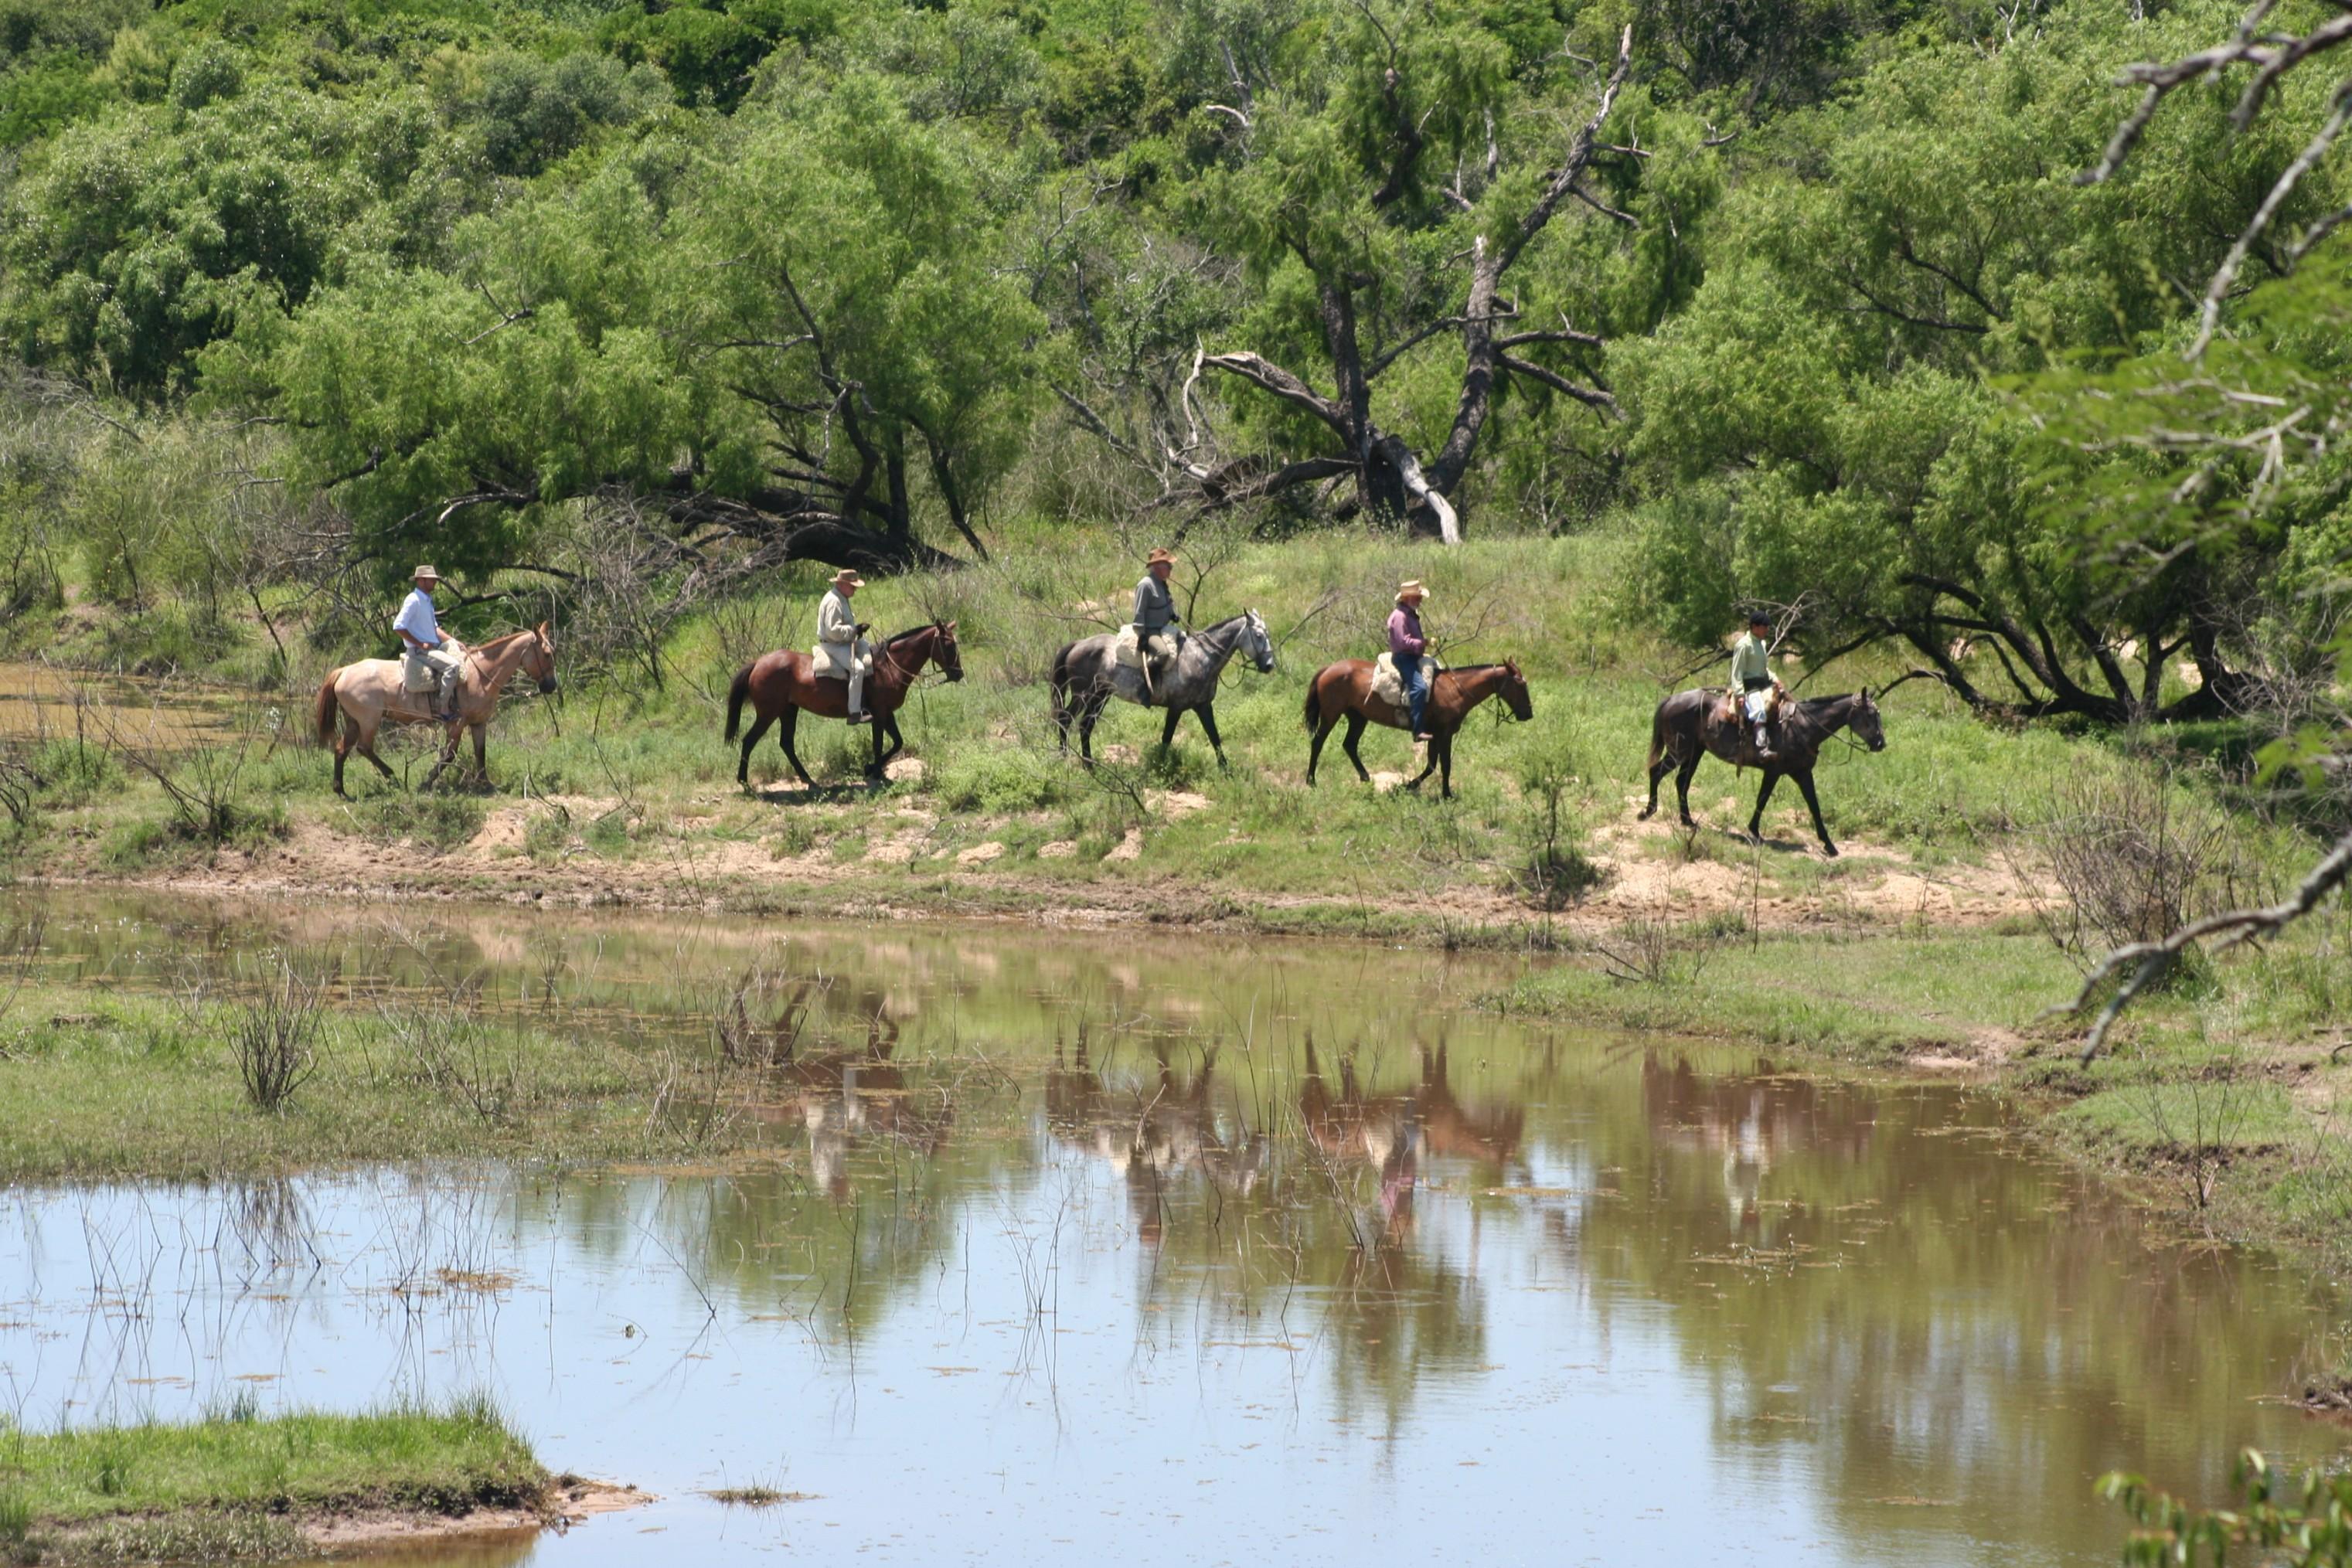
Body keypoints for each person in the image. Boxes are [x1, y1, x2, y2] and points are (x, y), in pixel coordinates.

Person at [393, 564, 464, 723]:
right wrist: (419, 643)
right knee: (453, 666)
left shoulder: (426, 600)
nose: (435, 583)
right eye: (431, 580)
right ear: (421, 581)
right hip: (420, 651)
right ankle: (443, 708)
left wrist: (454, 641)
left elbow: (435, 629)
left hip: (431, 648)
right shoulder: (413, 600)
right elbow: (398, 626)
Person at [818, 568, 873, 724]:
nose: (855, 589)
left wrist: (856, 630)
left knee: (871, 651)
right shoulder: (834, 601)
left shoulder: (840, 597)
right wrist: (854, 630)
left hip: (843, 642)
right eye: (852, 586)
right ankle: (854, 712)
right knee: (858, 669)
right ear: (842, 584)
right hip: (834, 645)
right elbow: (833, 631)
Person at [1731, 610, 1782, 760]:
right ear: (1754, 627)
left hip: (1763, 686)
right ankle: (1761, 748)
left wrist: (1775, 678)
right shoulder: (1744, 645)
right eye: (1764, 626)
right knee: (1759, 710)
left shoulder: (1761, 644)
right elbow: (1737, 671)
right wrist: (1739, 694)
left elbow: (1763, 669)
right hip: (1749, 688)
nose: (1767, 630)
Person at [1133, 547, 1182, 698]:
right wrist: (1142, 636)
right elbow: (1139, 612)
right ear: (1158, 567)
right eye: (1168, 565)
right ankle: (1145, 689)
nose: (1171, 569)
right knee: (1163, 653)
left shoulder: (1161, 583)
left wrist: (1172, 614)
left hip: (1164, 628)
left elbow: (1166, 603)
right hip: (1151, 630)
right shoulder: (1145, 585)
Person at [1388, 580, 1433, 742]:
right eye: (1417, 597)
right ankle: (1417, 730)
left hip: (1413, 655)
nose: (1420, 600)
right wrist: (1423, 643)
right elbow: (1403, 642)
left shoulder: (1410, 614)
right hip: (1404, 658)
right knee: (1420, 688)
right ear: (1408, 599)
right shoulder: (1399, 617)